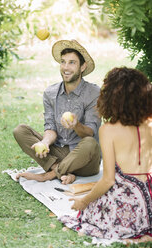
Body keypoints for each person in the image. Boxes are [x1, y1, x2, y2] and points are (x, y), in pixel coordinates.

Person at [59, 67, 152, 242]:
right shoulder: (149, 124)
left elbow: (108, 180)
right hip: (148, 197)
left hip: (125, 203)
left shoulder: (108, 130)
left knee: (92, 212)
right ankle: (145, 233)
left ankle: (133, 235)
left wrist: (84, 201)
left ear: (110, 98)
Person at [13, 39, 101, 185]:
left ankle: (49, 175)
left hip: (85, 159)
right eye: (63, 62)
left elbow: (90, 133)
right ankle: (61, 171)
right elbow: (50, 127)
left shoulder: (94, 93)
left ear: (83, 67)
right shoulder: (50, 93)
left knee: (90, 143)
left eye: (72, 62)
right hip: (59, 153)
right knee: (20, 130)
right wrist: (46, 142)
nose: (66, 67)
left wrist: (76, 125)